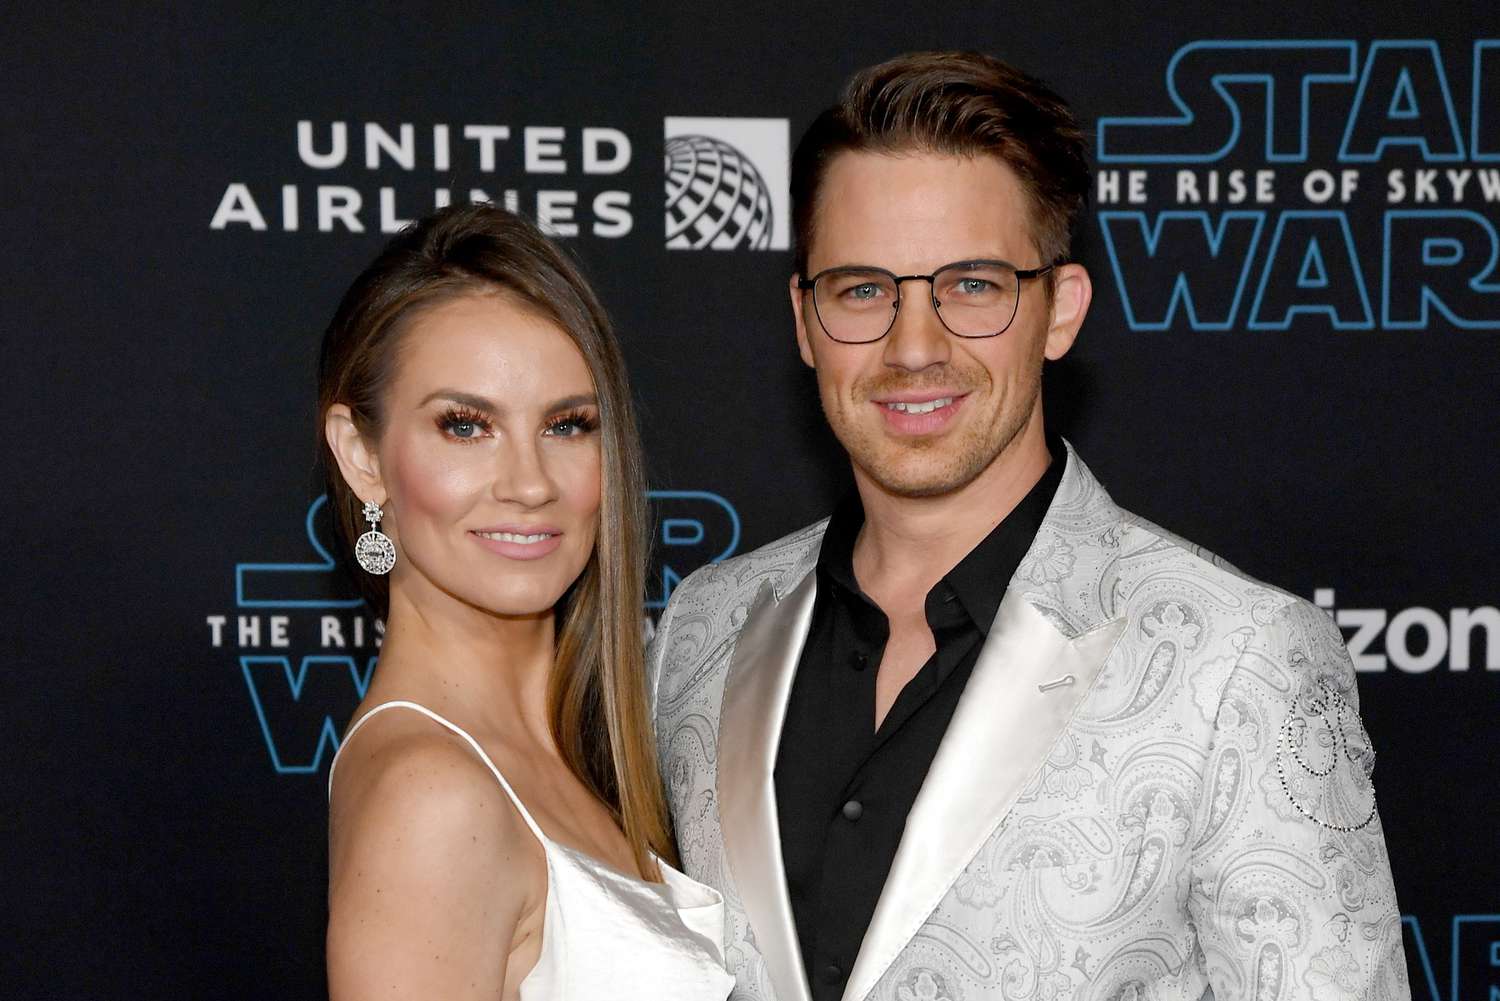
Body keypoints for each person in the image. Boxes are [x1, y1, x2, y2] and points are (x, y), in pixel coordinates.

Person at [650, 51, 1409, 1001]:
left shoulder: (1238, 658)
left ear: (1060, 311)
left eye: (972, 285)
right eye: (863, 288)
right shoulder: (701, 632)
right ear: (805, 321)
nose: (913, 346)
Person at [321, 204, 734, 1001]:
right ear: (362, 456)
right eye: (465, 425)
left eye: (568, 425)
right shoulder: (432, 800)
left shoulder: (583, 761)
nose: (530, 483)